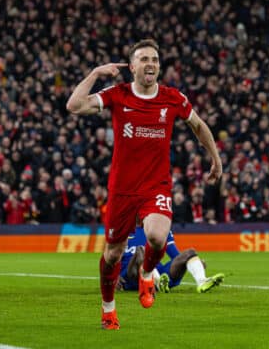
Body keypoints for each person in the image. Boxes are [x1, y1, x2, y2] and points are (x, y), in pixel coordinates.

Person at [66, 39, 222, 330]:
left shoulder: (172, 98)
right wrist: (96, 73)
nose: (151, 64)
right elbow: (74, 105)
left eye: (155, 59)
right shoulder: (117, 94)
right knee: (112, 255)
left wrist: (215, 158)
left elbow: (199, 126)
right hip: (122, 190)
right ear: (133, 66)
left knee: (157, 236)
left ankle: (147, 274)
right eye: (144, 59)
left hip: (156, 186)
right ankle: (108, 310)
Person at [117, 226, 224, 294]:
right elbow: (110, 257)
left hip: (159, 273)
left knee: (189, 253)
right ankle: (157, 283)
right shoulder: (123, 229)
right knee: (142, 250)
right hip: (131, 276)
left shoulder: (160, 228)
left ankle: (202, 281)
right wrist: (113, 277)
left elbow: (176, 256)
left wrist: (192, 264)